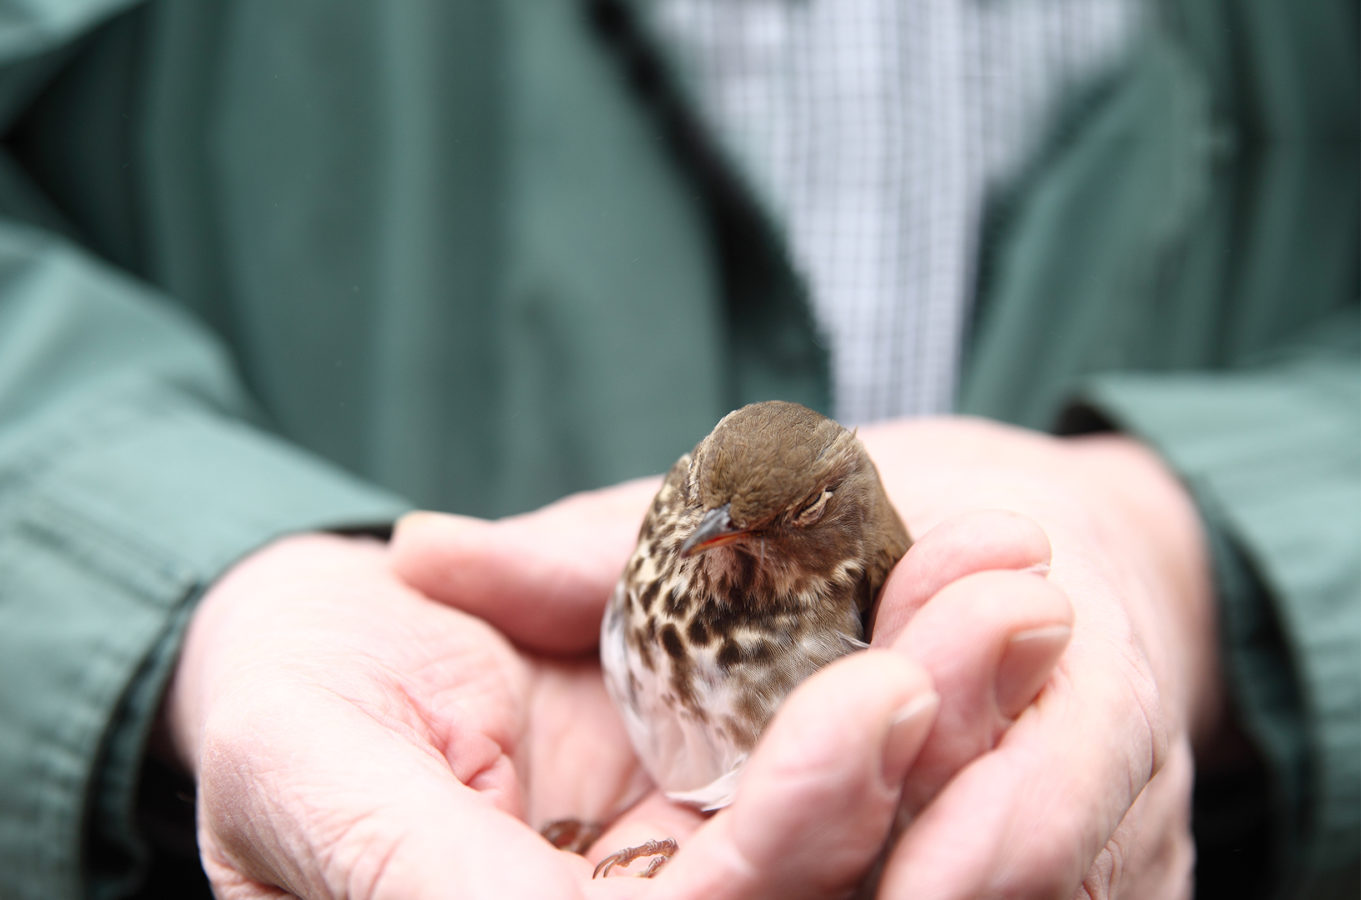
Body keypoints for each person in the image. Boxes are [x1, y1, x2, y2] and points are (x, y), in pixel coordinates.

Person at [0, 1, 1355, 898]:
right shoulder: (690, 526)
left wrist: (1195, 558)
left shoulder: (844, 583)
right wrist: (200, 583)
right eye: (705, 509)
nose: (712, 535)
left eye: (743, 523)